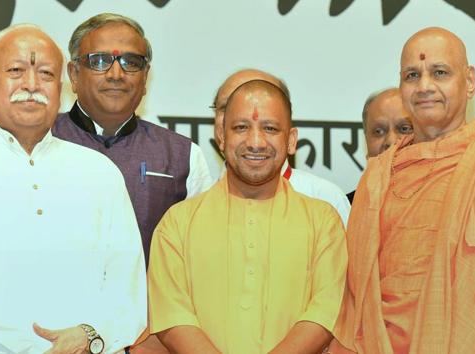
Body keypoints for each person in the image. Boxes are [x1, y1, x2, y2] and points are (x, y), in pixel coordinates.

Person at [330, 27, 475, 354]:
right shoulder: (377, 176)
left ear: (469, 81)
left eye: (439, 72)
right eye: (412, 75)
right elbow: (357, 299)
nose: (425, 86)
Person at [0, 24, 146, 353]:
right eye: (16, 71)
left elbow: (130, 291)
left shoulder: (99, 173)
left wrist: (89, 335)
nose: (32, 85)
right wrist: (44, 350)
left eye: (46, 74)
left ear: (61, 88)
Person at [148, 79, 347, 354]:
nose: (255, 142)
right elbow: (172, 316)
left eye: (270, 128)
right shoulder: (178, 223)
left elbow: (326, 310)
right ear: (221, 137)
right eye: (241, 127)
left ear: (290, 140)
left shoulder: (324, 222)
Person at [52, 13, 213, 268]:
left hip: (148, 307)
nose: (116, 74)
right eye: (100, 61)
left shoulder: (183, 156)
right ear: (73, 74)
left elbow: (202, 255)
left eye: (131, 62)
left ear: (145, 77)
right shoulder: (41, 141)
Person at [212, 69, 351, 226]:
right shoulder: (195, 200)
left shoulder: (325, 198)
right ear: (220, 132)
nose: (255, 141)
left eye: (269, 127)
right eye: (226, 107)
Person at [347, 88, 413, 202]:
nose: (391, 141)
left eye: (404, 129)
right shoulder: (346, 210)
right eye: (379, 131)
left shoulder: (447, 204)